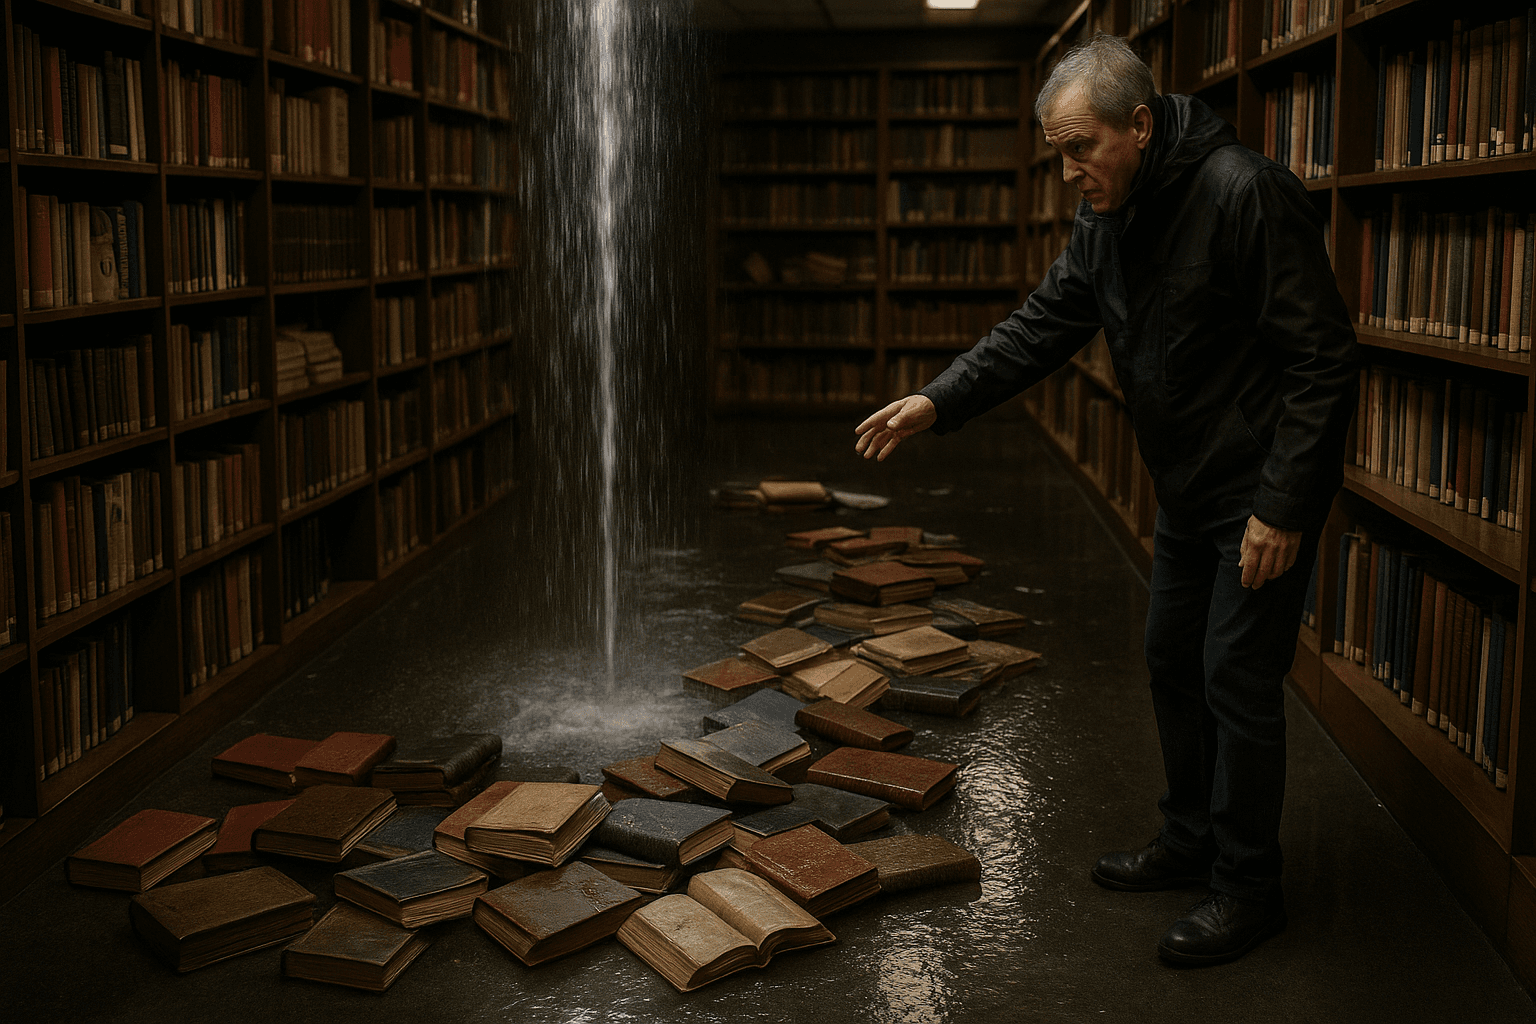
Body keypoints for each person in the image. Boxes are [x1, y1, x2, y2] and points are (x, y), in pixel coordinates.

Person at [855, 34, 1360, 967]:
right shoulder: (1106, 216)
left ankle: (1249, 888)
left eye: (1081, 148)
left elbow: (1322, 360)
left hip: (1255, 494)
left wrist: (1285, 506)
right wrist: (939, 399)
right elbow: (1043, 324)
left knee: (1236, 679)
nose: (1068, 173)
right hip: (1184, 488)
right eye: (1058, 153)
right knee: (1171, 659)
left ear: (1141, 124)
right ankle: (1190, 840)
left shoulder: (1244, 193)